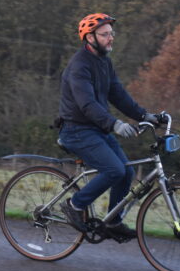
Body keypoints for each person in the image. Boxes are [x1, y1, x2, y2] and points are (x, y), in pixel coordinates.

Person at [57, 13, 158, 240]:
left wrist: (145, 115)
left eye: (111, 34)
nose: (110, 38)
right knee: (114, 170)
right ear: (90, 37)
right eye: (104, 35)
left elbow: (118, 95)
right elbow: (87, 104)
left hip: (97, 129)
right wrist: (115, 124)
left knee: (126, 172)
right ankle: (74, 205)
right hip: (76, 130)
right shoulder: (79, 66)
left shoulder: (104, 62)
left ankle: (113, 221)